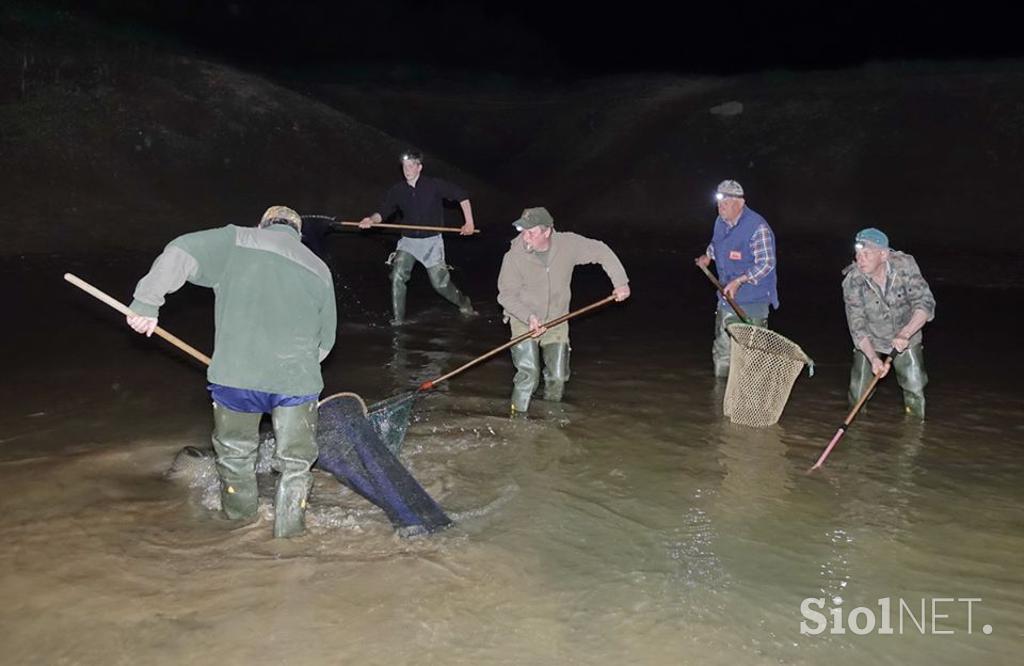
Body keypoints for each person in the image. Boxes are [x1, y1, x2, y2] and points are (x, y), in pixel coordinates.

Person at [125, 206, 337, 538]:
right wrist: (293, 367)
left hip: (236, 377)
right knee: (295, 465)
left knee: (236, 455)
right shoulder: (319, 268)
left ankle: (241, 531)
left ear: (262, 224)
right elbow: (326, 343)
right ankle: (291, 543)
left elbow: (181, 249)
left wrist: (146, 303)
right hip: (296, 381)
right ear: (298, 234)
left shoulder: (237, 239)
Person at [497, 207, 630, 415]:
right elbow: (505, 295)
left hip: (557, 320)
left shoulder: (568, 245)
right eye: (523, 231)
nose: (525, 237)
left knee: (557, 376)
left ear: (547, 232)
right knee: (529, 374)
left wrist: (620, 282)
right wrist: (529, 317)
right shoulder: (514, 256)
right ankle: (517, 420)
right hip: (523, 319)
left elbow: (601, 251)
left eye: (531, 232)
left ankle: (550, 421)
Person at [358, 149, 476, 325]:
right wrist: (371, 220)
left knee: (440, 285)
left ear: (419, 167)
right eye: (405, 166)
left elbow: (462, 196)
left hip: (431, 242)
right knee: (397, 275)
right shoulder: (397, 190)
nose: (407, 169)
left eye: (411, 165)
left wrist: (469, 223)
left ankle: (464, 302)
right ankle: (398, 320)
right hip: (408, 242)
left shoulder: (434, 185)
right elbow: (383, 212)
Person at [842, 227, 935, 418]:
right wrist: (873, 358)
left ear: (883, 254)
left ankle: (914, 436)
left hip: (906, 333)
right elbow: (857, 327)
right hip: (871, 338)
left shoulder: (905, 266)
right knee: (858, 393)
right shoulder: (852, 281)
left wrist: (906, 333)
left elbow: (925, 304)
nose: (860, 259)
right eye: (858, 253)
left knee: (914, 388)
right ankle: (856, 439)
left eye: (867, 253)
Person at [694, 180, 778, 377]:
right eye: (719, 200)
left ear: (741, 203)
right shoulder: (720, 222)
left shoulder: (758, 228)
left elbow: (766, 263)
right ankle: (719, 395)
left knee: (751, 356)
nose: (721, 205)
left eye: (727, 201)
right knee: (722, 350)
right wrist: (708, 257)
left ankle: (748, 401)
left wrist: (740, 280)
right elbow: (717, 244)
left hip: (752, 301)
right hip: (726, 299)